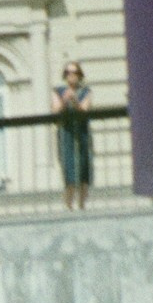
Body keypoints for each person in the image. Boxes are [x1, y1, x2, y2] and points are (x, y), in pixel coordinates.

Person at [54, 61, 94, 210]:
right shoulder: (58, 91)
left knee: (83, 171)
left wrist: (75, 101)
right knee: (69, 172)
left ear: (79, 75)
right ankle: (68, 206)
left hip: (82, 134)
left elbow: (84, 110)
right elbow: (55, 110)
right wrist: (65, 100)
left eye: (75, 72)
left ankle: (82, 205)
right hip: (66, 135)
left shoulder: (86, 91)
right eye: (68, 73)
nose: (72, 76)